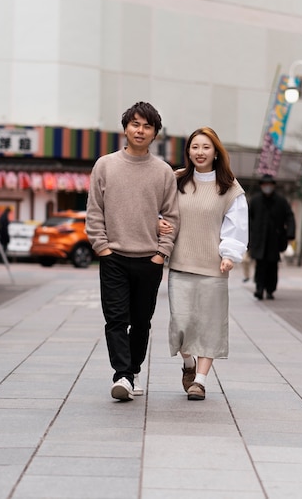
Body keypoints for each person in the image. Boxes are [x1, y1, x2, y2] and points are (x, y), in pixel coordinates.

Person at [86, 101, 180, 401]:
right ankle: (123, 375)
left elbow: (173, 216)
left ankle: (133, 370)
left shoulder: (163, 172)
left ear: (155, 134)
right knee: (115, 319)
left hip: (148, 260)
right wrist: (101, 248)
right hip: (113, 257)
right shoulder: (105, 165)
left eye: (147, 126)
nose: (140, 130)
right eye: (135, 124)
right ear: (125, 128)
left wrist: (160, 254)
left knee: (141, 321)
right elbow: (94, 211)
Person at [160, 127, 248, 401]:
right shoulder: (176, 181)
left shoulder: (229, 187)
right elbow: (160, 209)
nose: (200, 152)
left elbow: (236, 227)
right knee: (181, 322)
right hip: (181, 264)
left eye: (206, 147)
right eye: (195, 147)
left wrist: (229, 256)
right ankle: (188, 364)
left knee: (210, 324)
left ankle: (200, 380)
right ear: (188, 151)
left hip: (213, 267)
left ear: (216, 151)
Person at [249, 174, 296, 300]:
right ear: (261, 186)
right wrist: (247, 238)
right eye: (265, 184)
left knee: (272, 266)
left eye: (269, 184)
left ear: (273, 186)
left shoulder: (281, 201)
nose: (267, 187)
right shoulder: (255, 201)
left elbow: (289, 217)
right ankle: (259, 289)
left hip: (274, 240)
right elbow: (247, 220)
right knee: (260, 265)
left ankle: (270, 289)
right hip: (259, 239)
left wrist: (290, 234)